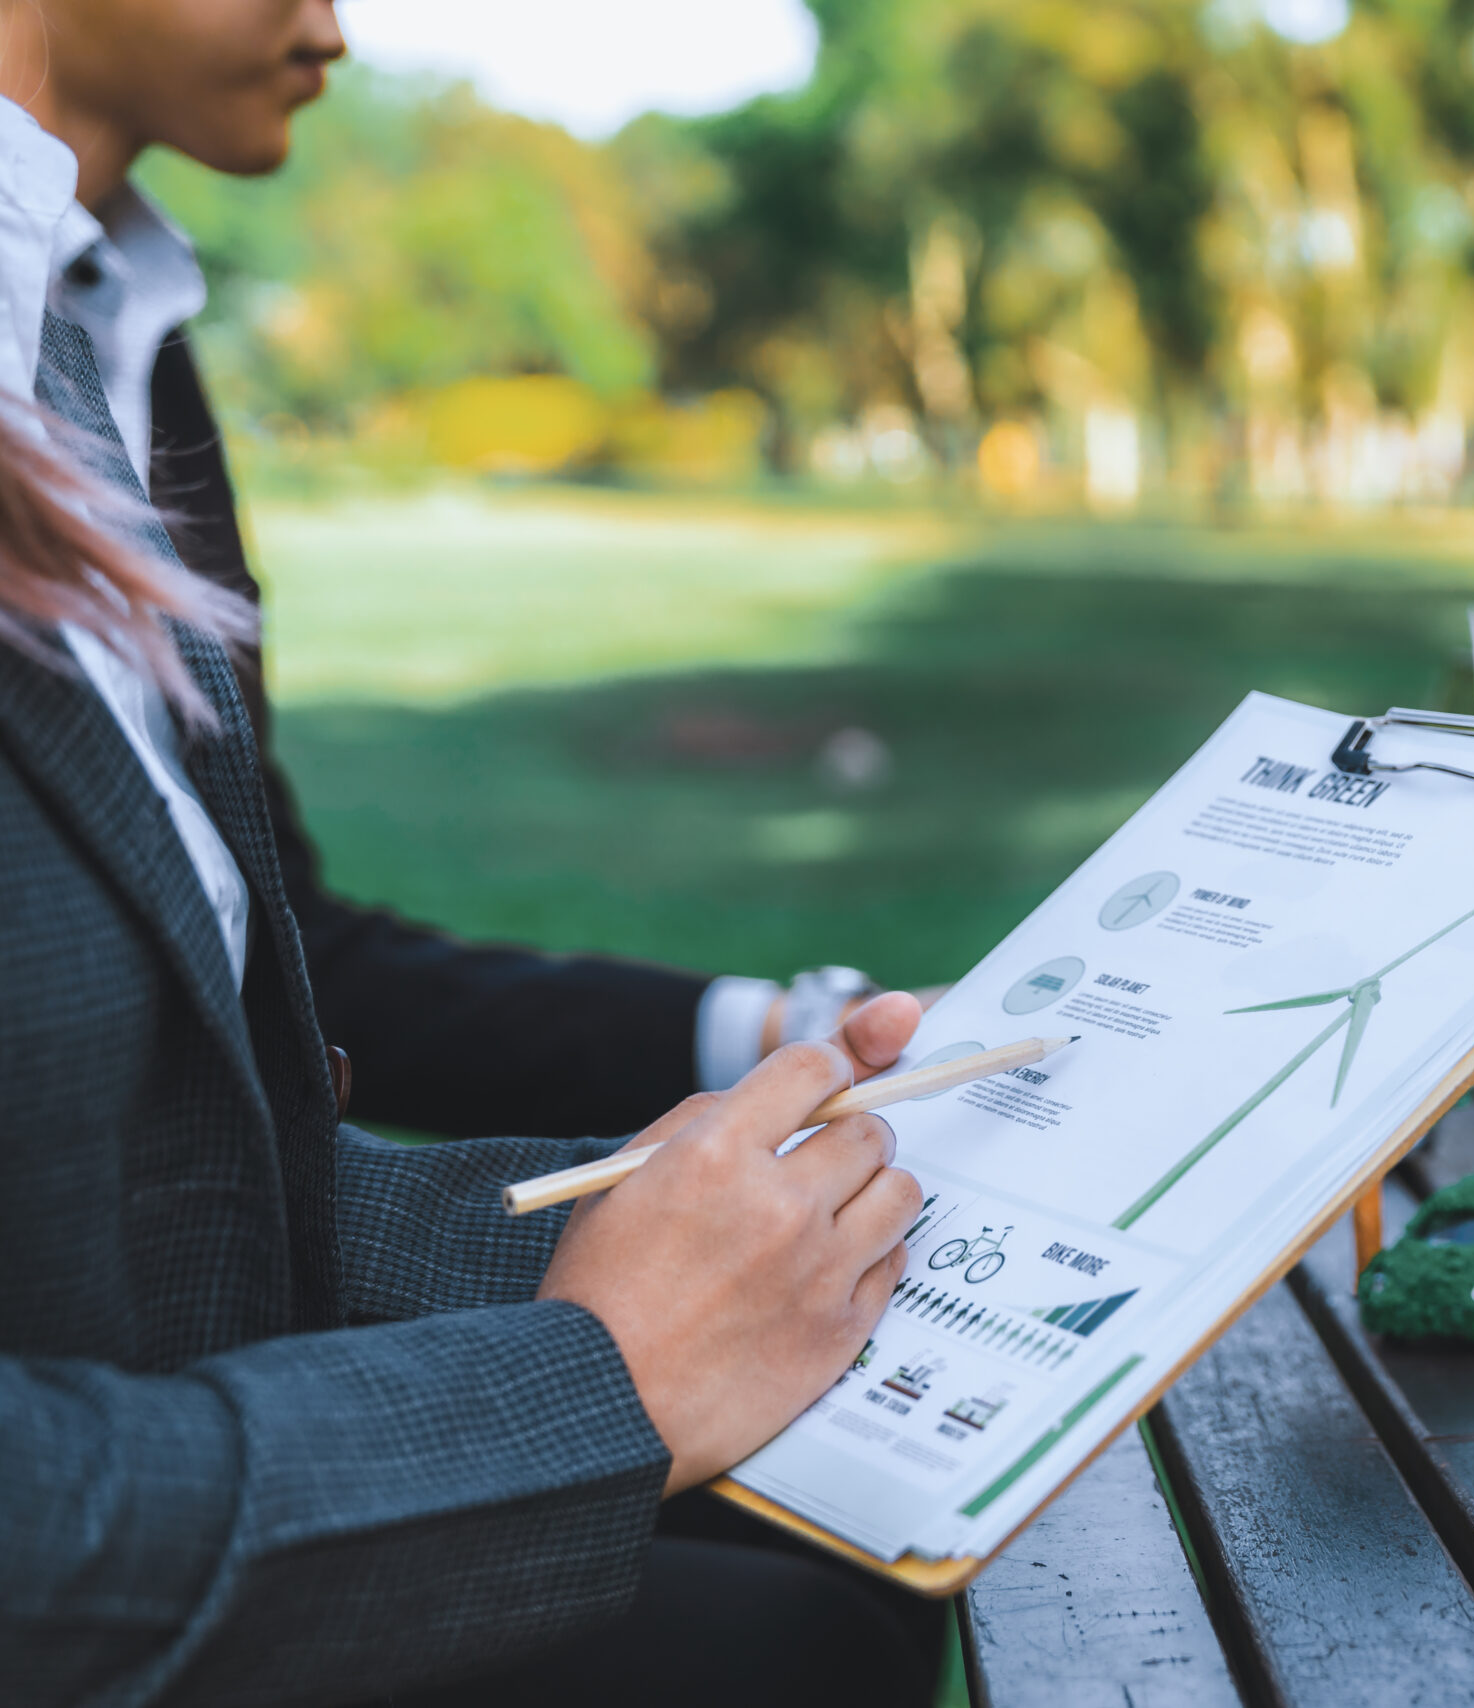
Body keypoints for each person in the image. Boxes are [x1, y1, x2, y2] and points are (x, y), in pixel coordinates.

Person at [0, 109, 936, 1707]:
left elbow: (147, 1158)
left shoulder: (47, 320)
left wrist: (688, 1223)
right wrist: (590, 1382)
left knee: (846, 1576)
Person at [1, 0, 873, 1142]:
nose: (330, 32)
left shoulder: (132, 329)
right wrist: (592, 1327)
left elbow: (272, 953)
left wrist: (803, 1036)